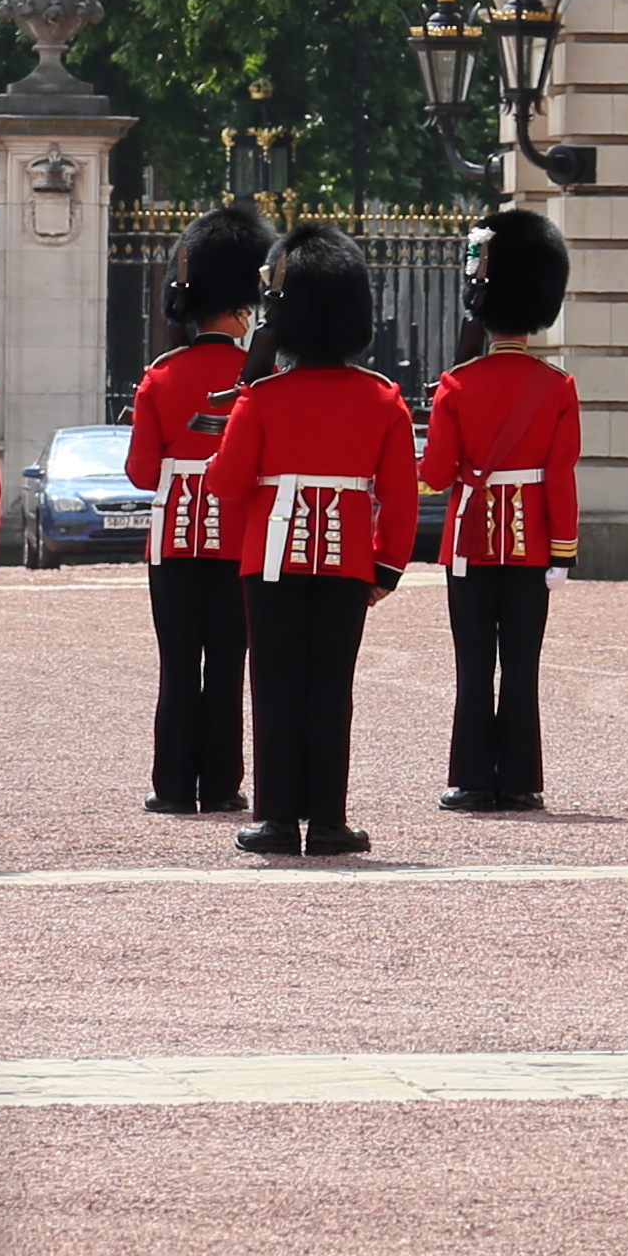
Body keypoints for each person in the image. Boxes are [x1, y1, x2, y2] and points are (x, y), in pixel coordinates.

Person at [207, 226, 412, 858]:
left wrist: (247, 395)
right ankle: (326, 820)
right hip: (349, 560)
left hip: (269, 560)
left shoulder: (262, 400)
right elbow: (400, 498)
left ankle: (273, 819)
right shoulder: (383, 400)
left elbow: (224, 483)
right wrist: (384, 568)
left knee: (274, 686)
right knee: (330, 691)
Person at [419, 208, 578, 814]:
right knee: (521, 667)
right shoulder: (557, 386)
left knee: (472, 665)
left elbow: (436, 477)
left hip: (469, 543)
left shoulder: (457, 386)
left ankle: (470, 781)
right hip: (533, 542)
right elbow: (560, 477)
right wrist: (563, 549)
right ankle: (519, 780)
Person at [124, 202, 267, 815]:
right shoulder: (258, 378)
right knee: (229, 660)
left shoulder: (161, 375)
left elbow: (139, 472)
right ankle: (222, 784)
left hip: (175, 538)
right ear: (239, 305)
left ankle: (174, 785)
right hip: (238, 537)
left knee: (178, 662)